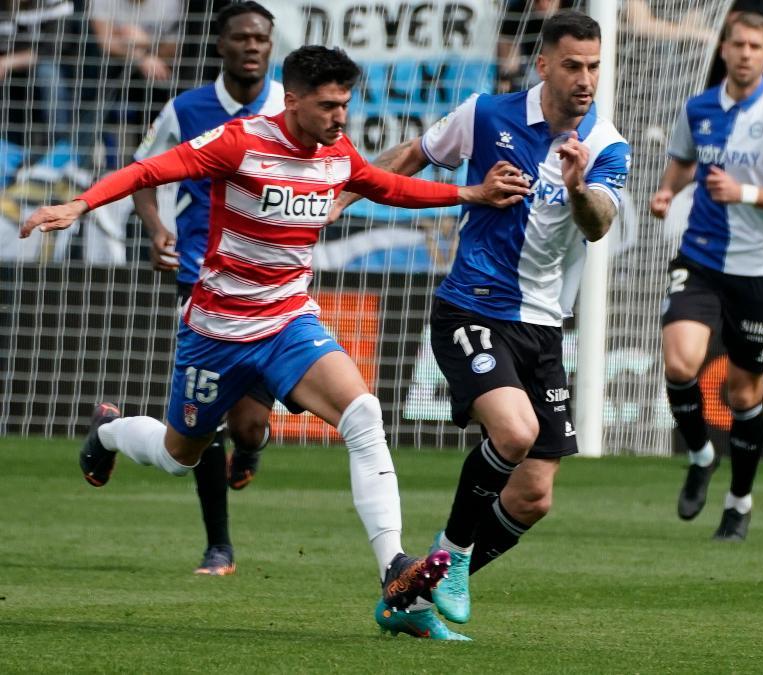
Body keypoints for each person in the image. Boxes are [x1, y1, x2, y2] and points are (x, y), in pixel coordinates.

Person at [19, 45, 528, 637]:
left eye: (346, 104)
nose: (341, 118)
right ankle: (108, 430)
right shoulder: (240, 141)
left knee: (363, 413)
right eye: (329, 105)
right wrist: (78, 204)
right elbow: (152, 169)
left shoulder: (337, 151)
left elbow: (387, 187)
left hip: (288, 322)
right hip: (216, 333)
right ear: (293, 99)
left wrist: (469, 194)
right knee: (177, 456)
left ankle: (395, 567)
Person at [329, 10, 629, 638]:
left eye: (593, 67)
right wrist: (340, 198)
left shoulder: (605, 145)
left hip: (544, 329)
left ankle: (418, 588)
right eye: (572, 65)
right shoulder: (486, 114)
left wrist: (575, 187)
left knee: (532, 496)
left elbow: (599, 222)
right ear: (543, 64)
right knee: (514, 433)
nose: (584, 79)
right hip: (472, 307)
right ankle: (455, 554)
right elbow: (416, 152)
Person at [649, 12, 763, 541]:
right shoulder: (698, 108)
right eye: (738, 44)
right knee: (680, 362)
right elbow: (684, 160)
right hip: (700, 257)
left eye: (756, 46)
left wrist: (744, 192)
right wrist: (667, 189)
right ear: (723, 49)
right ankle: (701, 455)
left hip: (759, 270)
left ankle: (739, 502)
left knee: (742, 396)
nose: (746, 53)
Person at [127, 1, 282, 576]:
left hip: (271, 284)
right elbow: (143, 172)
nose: (251, 46)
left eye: (260, 38)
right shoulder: (186, 109)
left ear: (271, 46)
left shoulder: (291, 110)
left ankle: (250, 447)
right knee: (207, 414)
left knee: (250, 425)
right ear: (220, 45)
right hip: (202, 278)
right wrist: (157, 228)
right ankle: (219, 546)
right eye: (240, 37)